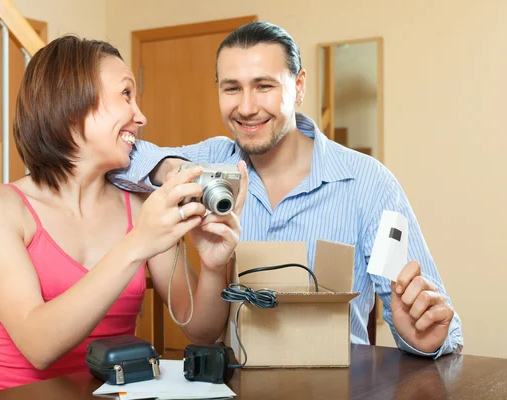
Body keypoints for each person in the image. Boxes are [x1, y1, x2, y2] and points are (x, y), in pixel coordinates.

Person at [110, 21, 463, 358]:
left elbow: (439, 321)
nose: (246, 108)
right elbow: (122, 157)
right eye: (232, 88)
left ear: (299, 87)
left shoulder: (370, 184)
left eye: (264, 86)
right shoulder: (212, 159)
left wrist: (424, 337)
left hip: (341, 385)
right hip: (235, 384)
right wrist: (175, 170)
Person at [0, 35, 248, 398]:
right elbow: (39, 345)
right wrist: (137, 244)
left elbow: (201, 330)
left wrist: (211, 265)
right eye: (126, 95)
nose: (140, 117)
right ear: (71, 102)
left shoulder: (142, 206)